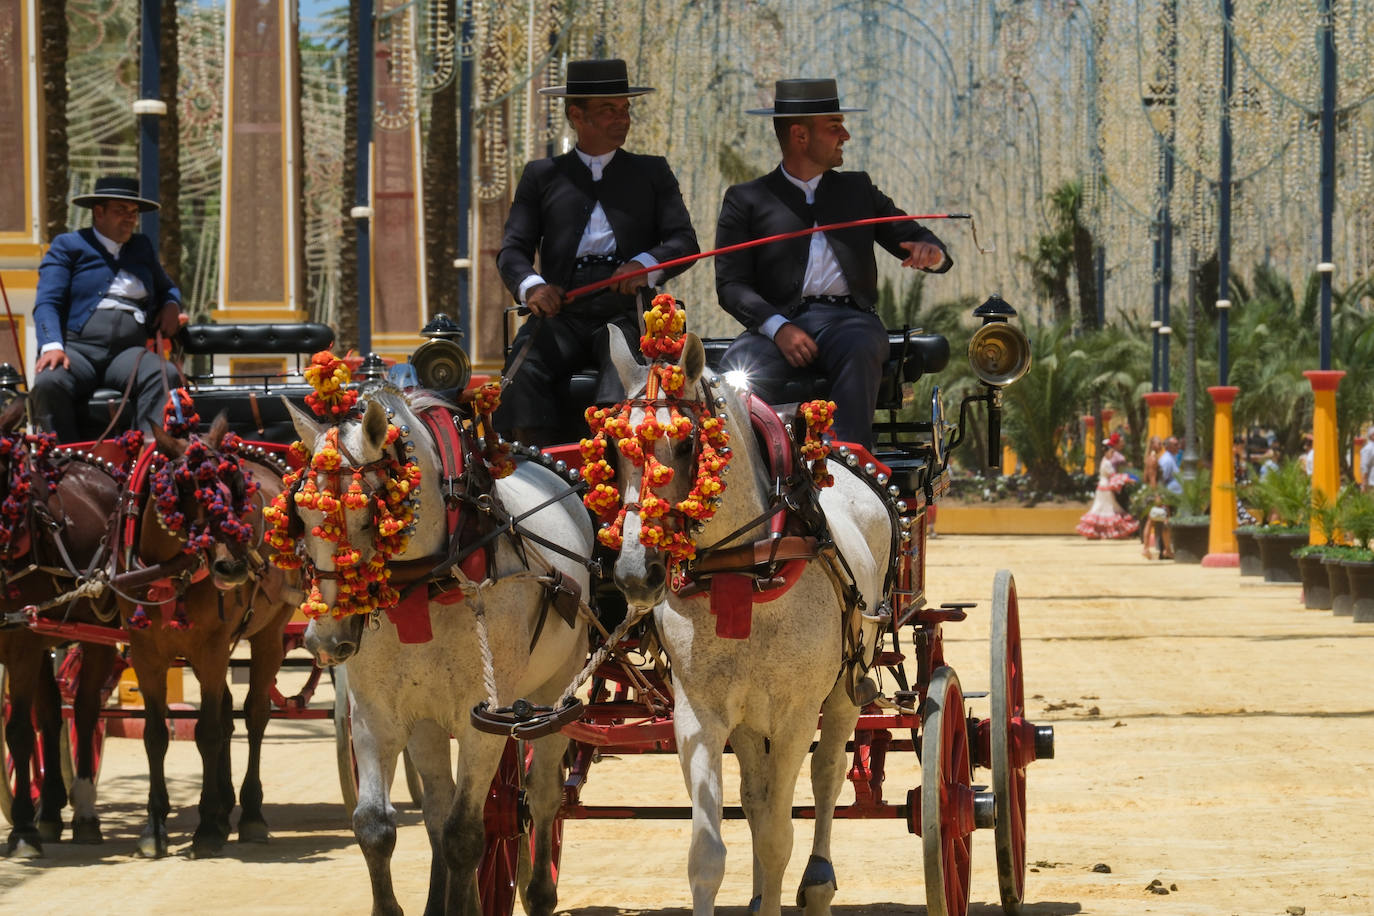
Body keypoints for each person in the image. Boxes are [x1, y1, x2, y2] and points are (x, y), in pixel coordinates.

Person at [714, 78, 951, 450]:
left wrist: (931, 252)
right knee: (731, 374)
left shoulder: (857, 190)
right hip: (776, 328)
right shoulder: (747, 199)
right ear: (799, 135)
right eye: (834, 126)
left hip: (849, 322)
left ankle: (848, 473)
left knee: (859, 348)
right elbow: (730, 285)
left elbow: (911, 233)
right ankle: (742, 478)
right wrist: (779, 328)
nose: (846, 135)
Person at [494, 58, 699, 446]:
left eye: (625, 109)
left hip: (625, 313)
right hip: (562, 312)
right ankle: (535, 471)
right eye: (608, 110)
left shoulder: (652, 172)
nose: (622, 119)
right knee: (521, 376)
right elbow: (513, 251)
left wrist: (643, 265)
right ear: (577, 115)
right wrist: (534, 288)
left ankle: (617, 473)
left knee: (623, 379)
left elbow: (684, 242)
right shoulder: (541, 176)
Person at [31, 175, 183, 442]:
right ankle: (63, 461)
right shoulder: (69, 246)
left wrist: (171, 304)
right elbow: (47, 302)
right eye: (120, 210)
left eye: (133, 212)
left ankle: (149, 462)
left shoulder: (141, 247)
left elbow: (167, 288)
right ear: (98, 212)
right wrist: (52, 345)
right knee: (48, 382)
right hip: (77, 351)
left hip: (127, 355)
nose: (130, 218)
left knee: (165, 374)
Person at [1076, 432, 1140, 540]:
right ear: (1106, 452)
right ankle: (1108, 532)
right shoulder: (1106, 463)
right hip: (1105, 488)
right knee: (1109, 509)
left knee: (1103, 508)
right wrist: (1128, 479)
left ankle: (1099, 532)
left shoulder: (1106, 461)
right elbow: (1113, 476)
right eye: (1111, 452)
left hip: (1104, 488)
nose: (1112, 454)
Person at [1361, 426, 1374, 492]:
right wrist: (1364, 484)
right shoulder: (1368, 449)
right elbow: (1364, 466)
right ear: (1372, 436)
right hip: (1371, 483)